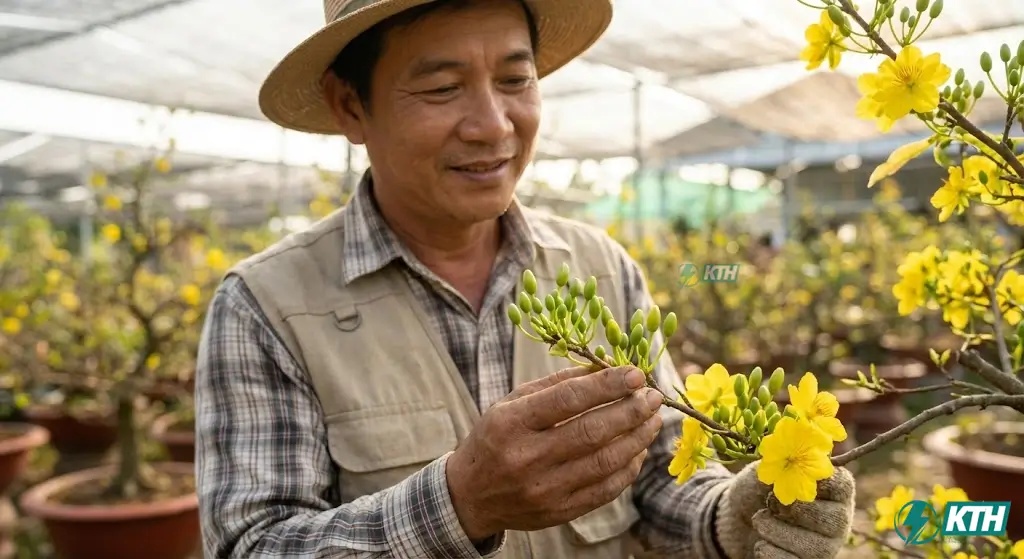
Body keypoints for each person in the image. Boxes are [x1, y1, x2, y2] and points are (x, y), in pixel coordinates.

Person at [194, 0, 857, 557]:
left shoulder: (602, 270)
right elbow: (255, 543)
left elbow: (656, 476)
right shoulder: (266, 308)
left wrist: (727, 518)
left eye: (516, 80)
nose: (492, 124)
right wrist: (459, 503)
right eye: (440, 88)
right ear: (350, 106)